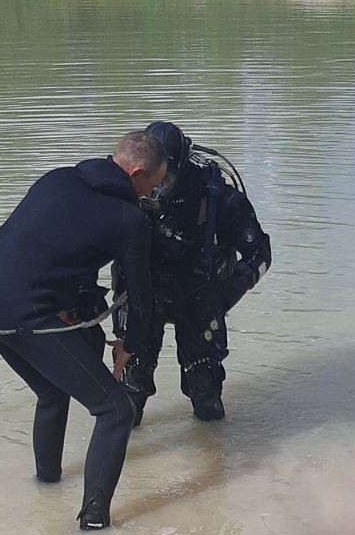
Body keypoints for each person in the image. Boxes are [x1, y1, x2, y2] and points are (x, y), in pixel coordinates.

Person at [0, 131, 168, 531]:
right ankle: (94, 526)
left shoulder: (57, 177)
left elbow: (46, 247)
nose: (155, 192)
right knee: (115, 410)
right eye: (154, 183)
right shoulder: (129, 220)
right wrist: (129, 346)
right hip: (25, 309)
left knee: (51, 390)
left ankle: (46, 486)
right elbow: (142, 299)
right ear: (137, 172)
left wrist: (60, 307)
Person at [114, 121, 271, 424]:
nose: (155, 189)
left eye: (165, 178)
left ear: (180, 168)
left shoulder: (218, 199)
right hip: (141, 294)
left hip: (199, 296)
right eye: (150, 179)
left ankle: (216, 464)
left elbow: (261, 253)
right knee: (127, 398)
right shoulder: (128, 189)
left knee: (206, 397)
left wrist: (224, 295)